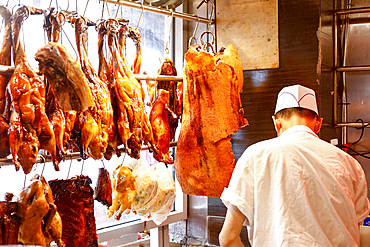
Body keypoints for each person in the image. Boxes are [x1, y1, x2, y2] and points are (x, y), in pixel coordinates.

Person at [219, 84, 370, 247]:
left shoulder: (255, 156)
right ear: (318, 125)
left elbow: (227, 239)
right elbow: (357, 230)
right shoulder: (351, 165)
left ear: (276, 123)